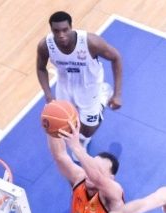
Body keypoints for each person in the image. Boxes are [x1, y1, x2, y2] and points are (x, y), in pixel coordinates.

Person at [36, 11, 123, 149]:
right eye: (56, 31)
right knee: (66, 125)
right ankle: (80, 141)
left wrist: (117, 94)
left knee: (88, 131)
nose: (61, 35)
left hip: (90, 88)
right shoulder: (45, 45)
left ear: (71, 27)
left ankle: (103, 97)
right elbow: (41, 68)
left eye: (65, 30)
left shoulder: (91, 42)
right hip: (64, 87)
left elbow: (116, 57)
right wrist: (47, 94)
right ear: (51, 30)